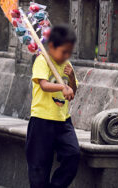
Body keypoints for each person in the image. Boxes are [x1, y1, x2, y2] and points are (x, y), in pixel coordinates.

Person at [26, 24, 80, 188]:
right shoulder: (42, 59)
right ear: (52, 47)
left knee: (73, 154)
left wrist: (70, 79)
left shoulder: (66, 64)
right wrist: (62, 87)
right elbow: (44, 84)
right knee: (39, 167)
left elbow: (72, 91)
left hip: (63, 120)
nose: (66, 55)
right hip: (42, 120)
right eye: (63, 51)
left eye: (69, 52)